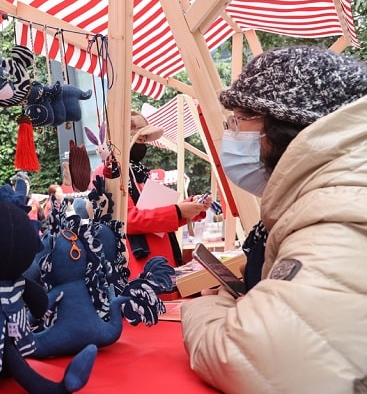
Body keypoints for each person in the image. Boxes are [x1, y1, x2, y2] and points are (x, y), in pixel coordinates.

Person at [181, 46, 367, 393]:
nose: (232, 132)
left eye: (239, 119)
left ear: (286, 128)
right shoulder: (326, 200)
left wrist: (207, 307)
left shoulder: (337, 213)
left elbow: (246, 355)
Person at [116, 111, 210, 279]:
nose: (144, 145)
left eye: (145, 141)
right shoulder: (112, 172)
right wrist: (179, 211)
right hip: (141, 263)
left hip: (159, 259)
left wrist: (191, 207)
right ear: (125, 140)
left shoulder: (138, 174)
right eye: (139, 139)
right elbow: (128, 220)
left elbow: (156, 215)